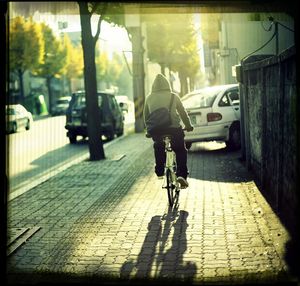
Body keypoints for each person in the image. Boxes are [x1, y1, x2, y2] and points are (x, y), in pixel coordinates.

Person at [143, 73, 193, 188]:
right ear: (167, 84)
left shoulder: (149, 98)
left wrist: (148, 131)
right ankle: (182, 176)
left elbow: (146, 117)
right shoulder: (173, 96)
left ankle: (159, 170)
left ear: (153, 86)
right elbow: (182, 112)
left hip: (156, 130)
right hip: (174, 129)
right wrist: (188, 126)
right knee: (180, 149)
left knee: (158, 146)